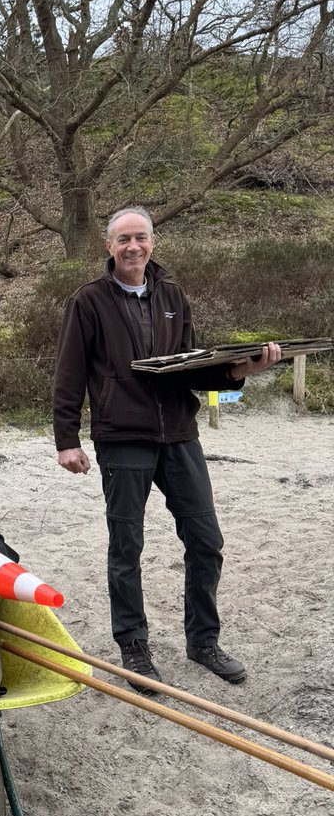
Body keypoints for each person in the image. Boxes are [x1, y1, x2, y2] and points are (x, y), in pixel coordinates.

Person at [53, 206, 281, 693]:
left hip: (179, 434)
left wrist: (240, 371)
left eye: (141, 238)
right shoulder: (89, 301)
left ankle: (203, 641)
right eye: (123, 240)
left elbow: (193, 366)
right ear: (109, 246)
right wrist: (66, 440)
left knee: (206, 541)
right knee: (127, 546)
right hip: (123, 437)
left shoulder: (173, 295)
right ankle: (134, 646)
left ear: (152, 242)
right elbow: (69, 373)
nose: (133, 247)